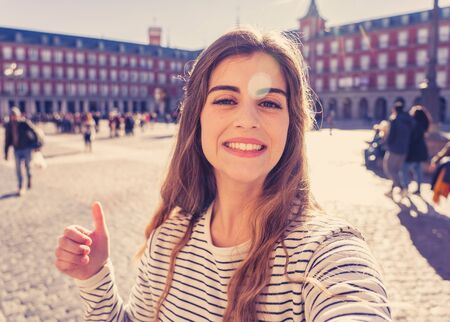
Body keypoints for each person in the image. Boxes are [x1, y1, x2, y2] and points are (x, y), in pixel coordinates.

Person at [54, 28, 391, 321]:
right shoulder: (170, 237)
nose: (247, 120)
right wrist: (94, 276)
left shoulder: (325, 253)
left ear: (292, 124)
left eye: (270, 103)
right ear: (197, 118)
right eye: (226, 99)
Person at [383, 101, 415, 198]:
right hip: (405, 149)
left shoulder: (395, 120)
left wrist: (386, 144)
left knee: (389, 168)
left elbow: (391, 135)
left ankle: (401, 187)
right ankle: (391, 191)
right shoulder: (409, 119)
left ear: (394, 109)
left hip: (394, 149)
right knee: (396, 170)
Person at [4, 107, 37, 195]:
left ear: (18, 115)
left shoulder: (24, 123)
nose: (13, 117)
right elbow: (7, 139)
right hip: (17, 149)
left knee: (28, 166)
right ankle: (20, 186)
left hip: (26, 148)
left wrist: (35, 145)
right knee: (18, 169)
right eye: (12, 116)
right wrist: (6, 153)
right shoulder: (9, 126)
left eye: (15, 115)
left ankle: (29, 178)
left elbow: (34, 132)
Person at [401, 105, 430, 195]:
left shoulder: (414, 124)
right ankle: (418, 189)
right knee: (418, 170)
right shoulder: (424, 123)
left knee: (404, 169)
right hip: (421, 149)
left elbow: (412, 138)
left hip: (413, 150)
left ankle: (405, 187)